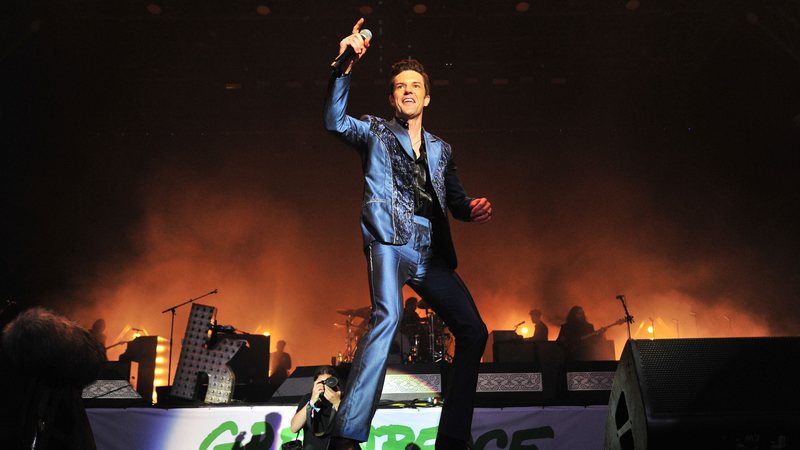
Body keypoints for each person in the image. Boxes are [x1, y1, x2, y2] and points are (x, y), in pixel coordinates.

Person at [323, 18, 492, 450]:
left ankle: (453, 437)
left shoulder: (442, 149)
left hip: (429, 252)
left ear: (427, 96)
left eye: (415, 84)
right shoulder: (375, 131)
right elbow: (335, 122)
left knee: (474, 330)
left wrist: (470, 210)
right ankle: (346, 435)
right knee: (388, 318)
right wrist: (344, 67)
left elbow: (454, 200)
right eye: (400, 86)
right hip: (390, 243)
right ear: (393, 97)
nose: (408, 90)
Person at [290, 366, 342, 450]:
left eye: (329, 382)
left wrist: (337, 403)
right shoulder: (308, 398)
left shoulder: (342, 399)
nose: (325, 386)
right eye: (321, 382)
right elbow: (294, 428)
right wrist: (312, 401)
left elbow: (352, 428)